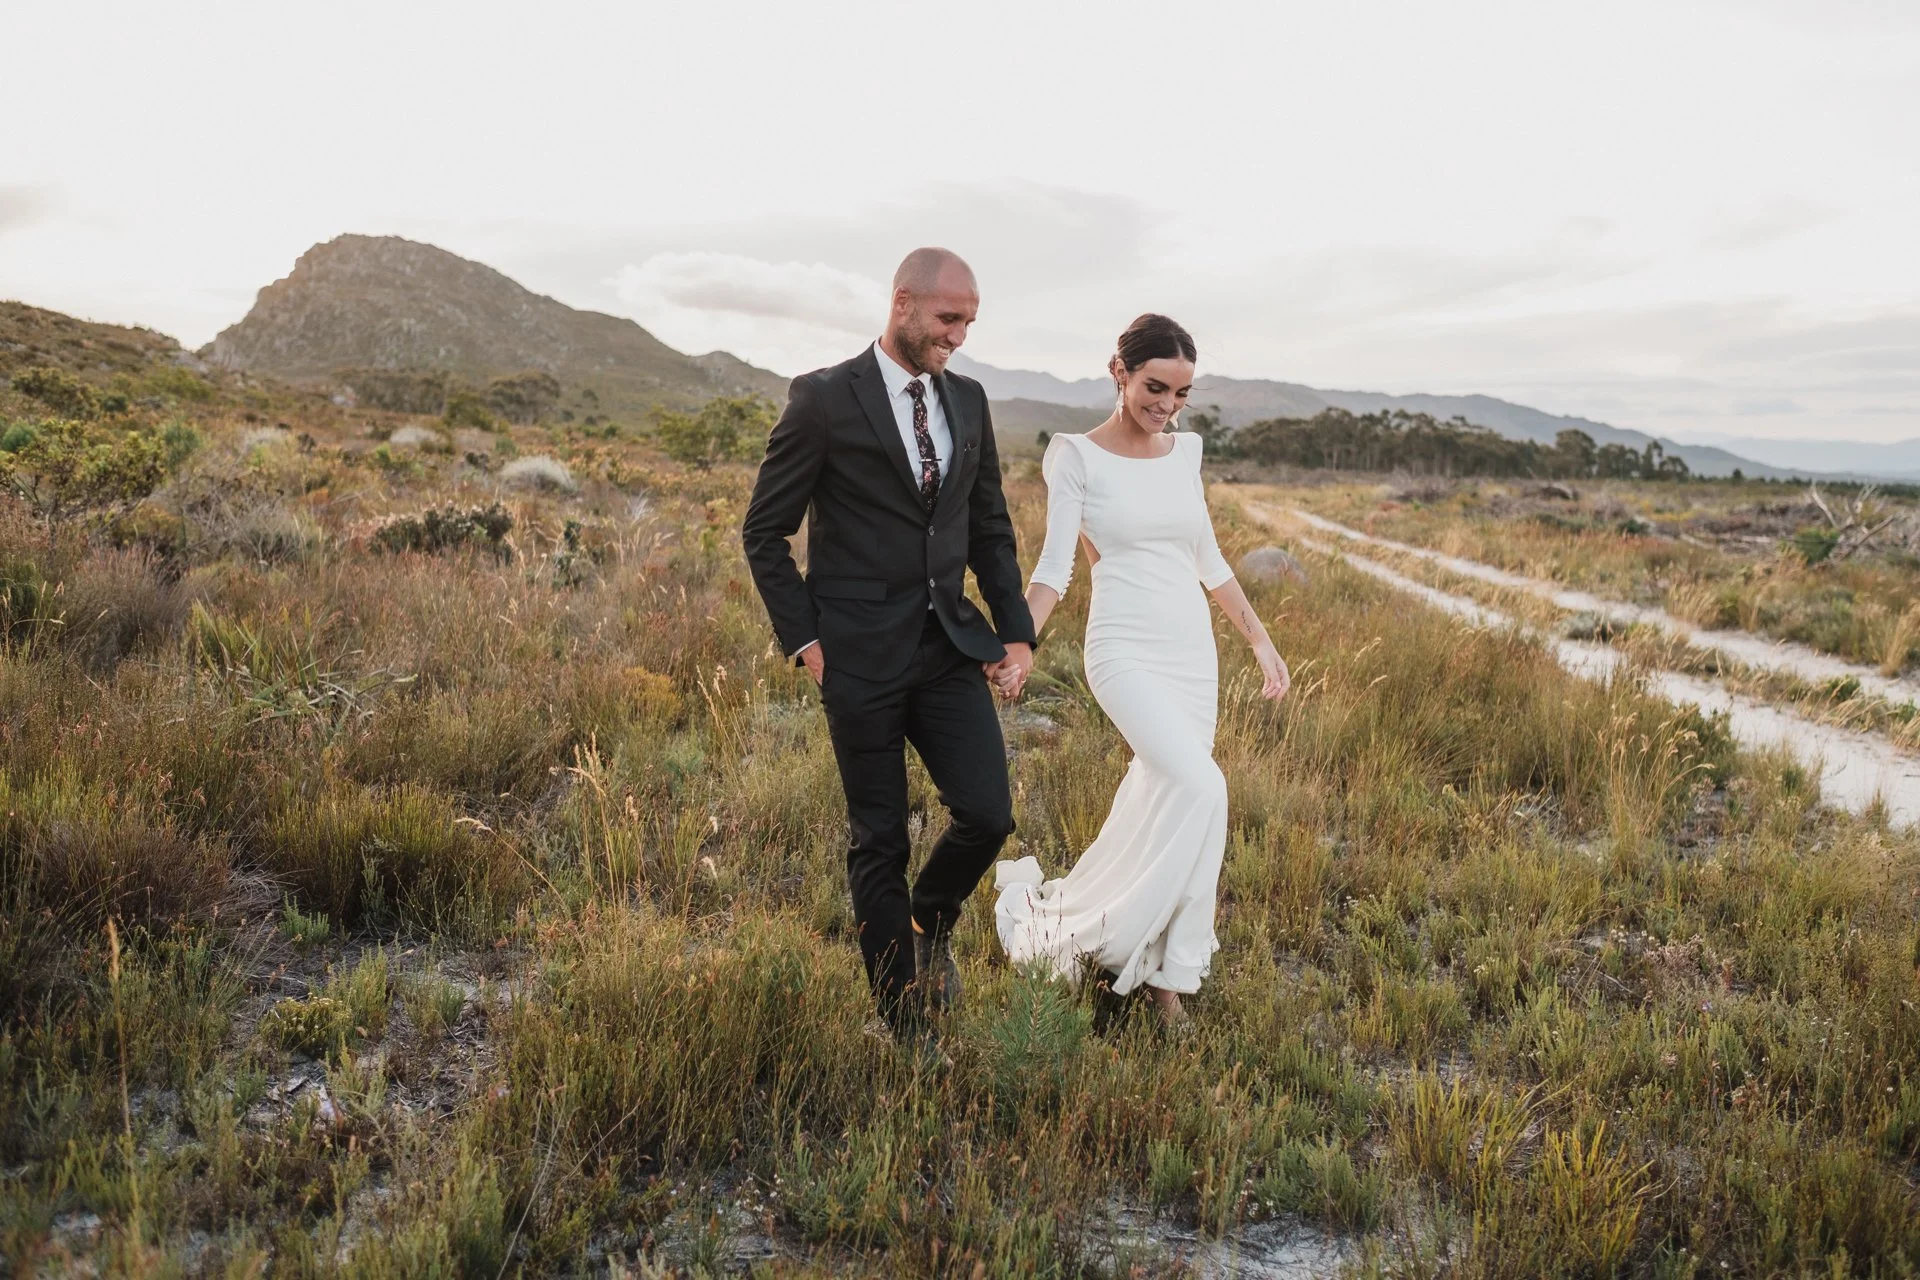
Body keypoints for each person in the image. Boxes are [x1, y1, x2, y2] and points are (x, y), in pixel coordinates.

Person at [741, 247, 1036, 1055]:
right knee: (879, 839)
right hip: (856, 656)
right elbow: (764, 533)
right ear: (903, 303)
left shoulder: (969, 403)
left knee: (987, 814)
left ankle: (928, 916)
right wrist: (807, 642)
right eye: (949, 319)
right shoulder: (824, 399)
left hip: (948, 648)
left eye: (971, 321)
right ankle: (904, 1022)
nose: (960, 336)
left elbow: (989, 530)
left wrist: (1015, 632)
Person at [992, 314, 1290, 1029]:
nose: (1168, 405)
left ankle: (1157, 962)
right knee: (1203, 786)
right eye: (1156, 386)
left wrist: (1259, 641)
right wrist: (1018, 642)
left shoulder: (1185, 454)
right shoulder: (1075, 457)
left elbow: (1209, 561)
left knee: (1170, 796)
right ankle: (1172, 981)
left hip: (1191, 653)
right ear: (1119, 372)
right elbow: (1055, 570)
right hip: (1122, 649)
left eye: (1182, 393)